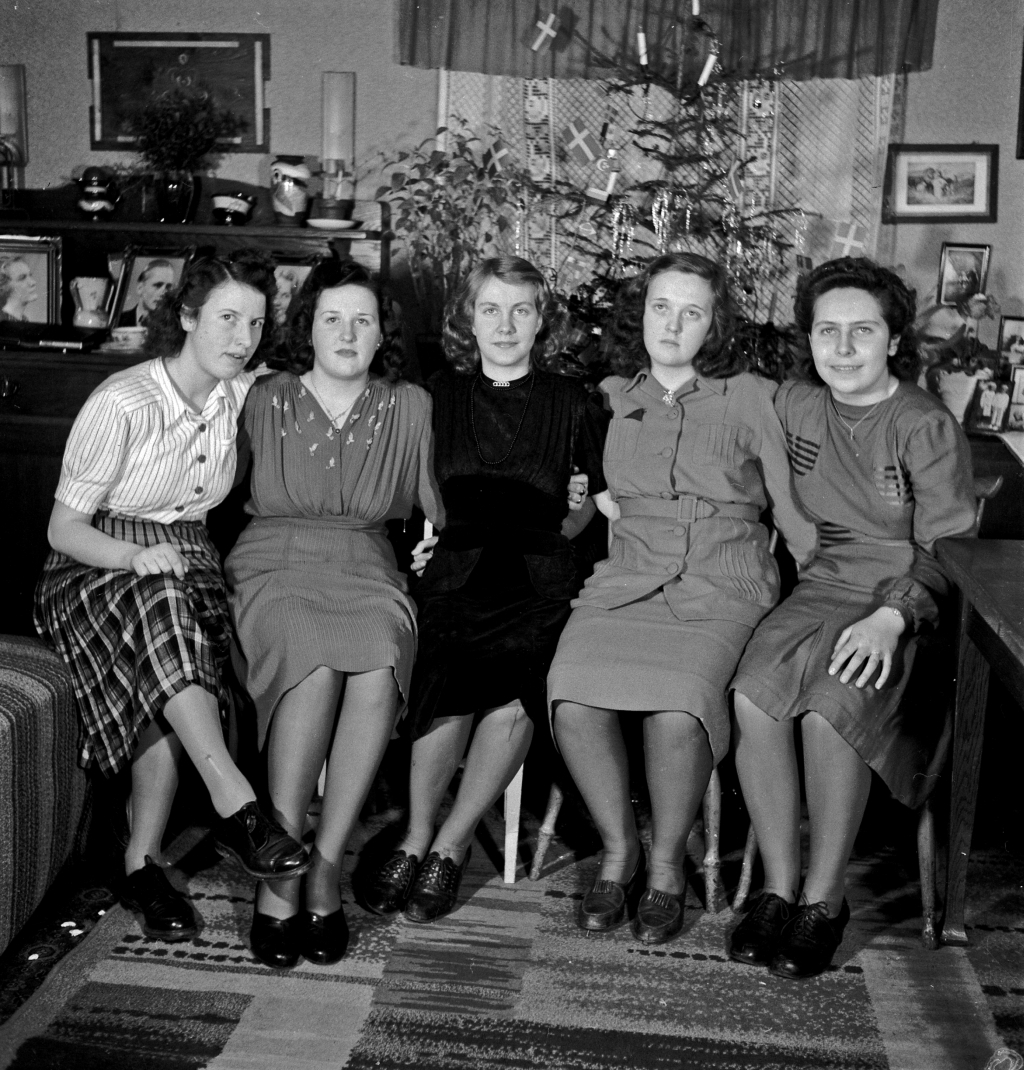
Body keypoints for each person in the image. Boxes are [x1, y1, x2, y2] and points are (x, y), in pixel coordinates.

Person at [34, 251, 310, 945]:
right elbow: (64, 529)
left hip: (187, 562)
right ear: (187, 317)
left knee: (166, 632)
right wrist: (133, 555)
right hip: (95, 563)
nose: (242, 338)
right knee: (160, 606)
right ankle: (237, 804)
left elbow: (316, 384)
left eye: (255, 323)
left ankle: (141, 864)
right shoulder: (123, 401)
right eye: (226, 319)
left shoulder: (239, 393)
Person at [547, 251, 815, 946]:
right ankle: (619, 851)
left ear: (714, 325)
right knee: (571, 696)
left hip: (723, 582)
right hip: (628, 578)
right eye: (661, 307)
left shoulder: (751, 397)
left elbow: (792, 512)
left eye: (692, 312)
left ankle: (665, 864)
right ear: (640, 314)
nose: (672, 324)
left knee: (678, 710)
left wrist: (826, 593)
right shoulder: (609, 396)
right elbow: (575, 493)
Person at [728, 257, 976, 979]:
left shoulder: (924, 424)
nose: (841, 348)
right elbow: (723, 410)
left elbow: (949, 548)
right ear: (808, 338)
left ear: (893, 340)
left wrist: (893, 617)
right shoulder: (798, 404)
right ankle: (779, 888)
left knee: (828, 710)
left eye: (862, 331)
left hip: (906, 600)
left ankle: (824, 899)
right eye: (826, 331)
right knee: (752, 699)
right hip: (821, 585)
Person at [361, 255, 607, 924]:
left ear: (541, 320)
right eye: (490, 309)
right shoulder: (438, 394)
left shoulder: (573, 401)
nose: (504, 324)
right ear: (468, 319)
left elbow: (601, 499)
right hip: (457, 567)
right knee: (443, 669)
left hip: (540, 574)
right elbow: (407, 488)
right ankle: (415, 836)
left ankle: (451, 841)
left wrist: (577, 528)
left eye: (521, 310)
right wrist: (413, 544)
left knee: (522, 679)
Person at [225, 259, 442, 968]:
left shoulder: (410, 405)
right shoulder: (263, 396)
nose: (347, 333)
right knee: (312, 661)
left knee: (381, 660)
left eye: (362, 320)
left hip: (367, 563)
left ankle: (324, 868)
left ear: (382, 334)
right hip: (275, 559)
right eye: (332, 319)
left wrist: (435, 544)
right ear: (308, 328)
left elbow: (439, 502)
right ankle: (280, 876)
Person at [119, 259, 176, 327]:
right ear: (140, 288)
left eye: (168, 287)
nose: (163, 293)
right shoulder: (118, 321)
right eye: (158, 285)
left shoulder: (175, 325)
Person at [0, 256, 38, 321]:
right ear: (3, 286)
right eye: (22, 278)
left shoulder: (24, 320)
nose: (33, 282)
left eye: (30, 275)